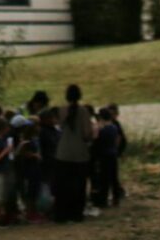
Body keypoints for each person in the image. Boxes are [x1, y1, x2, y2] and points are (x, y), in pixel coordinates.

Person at [50, 84, 95, 222]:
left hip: (63, 153)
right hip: (79, 154)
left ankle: (61, 214)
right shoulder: (83, 112)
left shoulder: (61, 110)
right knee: (78, 186)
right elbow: (87, 134)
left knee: (63, 186)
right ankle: (76, 214)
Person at [89, 106, 123, 209]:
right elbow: (117, 140)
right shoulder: (113, 127)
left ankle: (103, 200)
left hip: (104, 155)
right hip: (113, 154)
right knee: (114, 177)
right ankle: (116, 198)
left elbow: (96, 141)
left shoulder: (101, 128)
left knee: (104, 179)